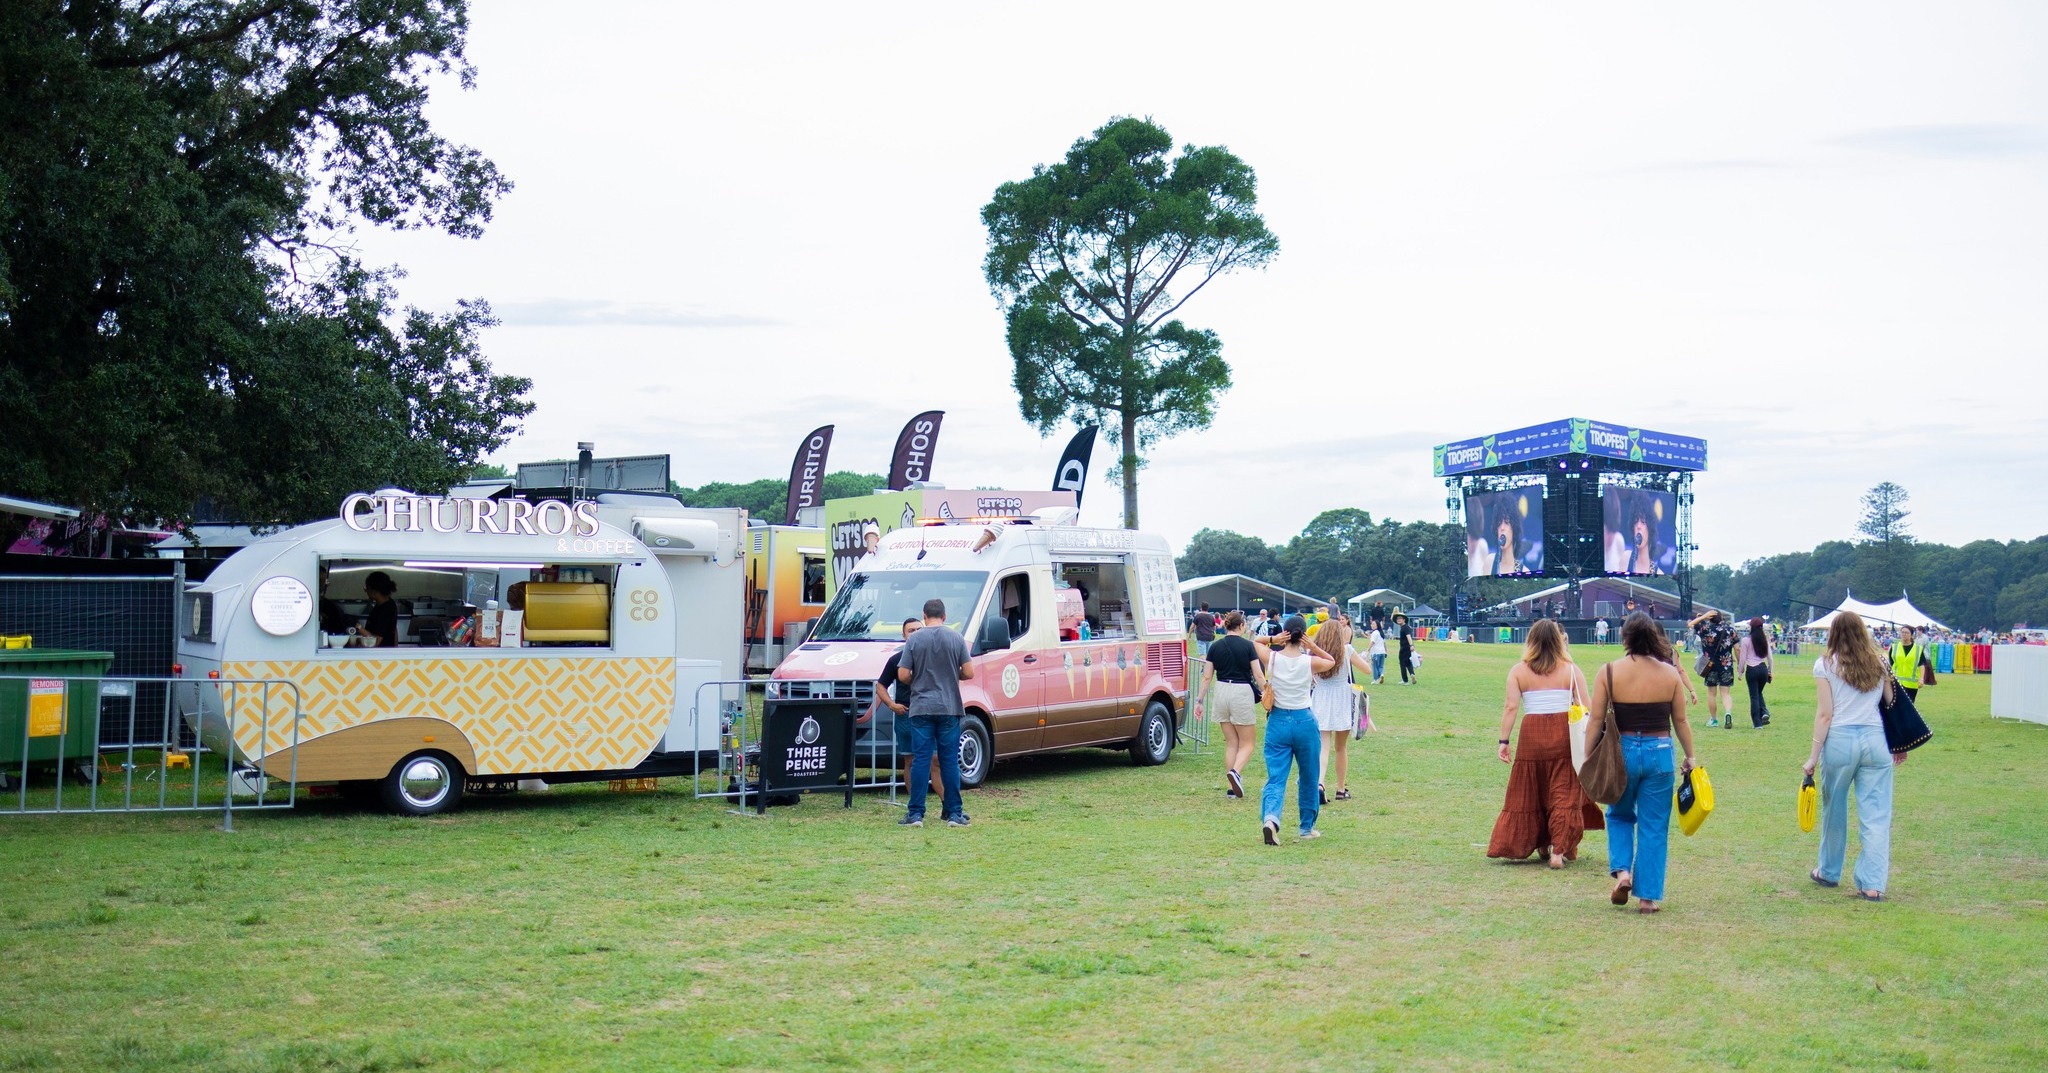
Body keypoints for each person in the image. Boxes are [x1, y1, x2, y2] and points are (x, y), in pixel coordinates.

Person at [1585, 612, 1698, 913]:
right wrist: (1690, 756)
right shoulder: (1670, 674)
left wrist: (1587, 756)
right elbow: (1681, 721)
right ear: (1654, 636)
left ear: (1625, 637)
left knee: (1619, 814)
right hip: (1659, 752)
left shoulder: (1609, 672)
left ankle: (1623, 873)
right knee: (1654, 825)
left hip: (1621, 753)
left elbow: (1595, 720)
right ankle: (1647, 898)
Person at [1489, 620, 1601, 868]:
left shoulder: (1518, 671)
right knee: (1564, 790)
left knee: (1534, 788)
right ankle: (1558, 850)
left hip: (1532, 733)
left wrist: (1504, 740)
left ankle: (1540, 843)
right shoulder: (1571, 669)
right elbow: (1587, 706)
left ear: (1530, 640)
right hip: (1564, 733)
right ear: (1558, 641)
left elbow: (1510, 707)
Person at [1804, 609, 1895, 901]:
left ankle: (1829, 871)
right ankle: (1872, 883)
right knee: (1876, 815)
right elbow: (1891, 704)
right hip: (1875, 739)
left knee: (1834, 808)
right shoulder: (1880, 662)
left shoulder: (1825, 665)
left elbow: (1825, 714)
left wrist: (1813, 757)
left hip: (1841, 740)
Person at [895, 598, 974, 828]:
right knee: (949, 761)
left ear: (924, 616)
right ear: (944, 616)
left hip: (921, 707)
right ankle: (954, 813)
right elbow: (969, 672)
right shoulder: (956, 638)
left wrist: (918, 678)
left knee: (921, 760)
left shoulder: (914, 639)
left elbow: (902, 674)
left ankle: (916, 814)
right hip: (949, 707)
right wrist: (952, 675)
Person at [1257, 615, 1335, 844]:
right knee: (1309, 776)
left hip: (1278, 720)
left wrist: (1273, 639)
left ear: (1285, 634)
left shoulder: (1272, 658)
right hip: (1304, 720)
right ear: (1303, 636)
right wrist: (1312, 646)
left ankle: (1271, 819)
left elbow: (1255, 642)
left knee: (1276, 777)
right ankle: (1306, 827)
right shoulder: (1309, 662)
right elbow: (1331, 661)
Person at [1308, 616, 1374, 804]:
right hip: (1342, 698)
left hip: (1320, 697)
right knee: (1341, 747)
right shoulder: (1346, 650)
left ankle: (1319, 784)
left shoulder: (1314, 652)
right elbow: (1367, 670)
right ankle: (1340, 789)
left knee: (1322, 746)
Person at [1200, 611, 1265, 799]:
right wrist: (1268, 693)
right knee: (1248, 743)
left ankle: (1231, 788)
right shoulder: (1248, 646)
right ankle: (1235, 772)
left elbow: (1207, 676)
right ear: (1242, 626)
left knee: (1231, 743)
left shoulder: (1215, 646)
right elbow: (1258, 675)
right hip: (1241, 692)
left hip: (1221, 690)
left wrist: (1199, 701)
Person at [873, 618, 941, 796]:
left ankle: (947, 804)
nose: (916, 633)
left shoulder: (935, 656)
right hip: (906, 716)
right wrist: (891, 704)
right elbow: (881, 686)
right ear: (903, 635)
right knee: (911, 760)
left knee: (935, 759)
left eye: (919, 629)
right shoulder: (896, 659)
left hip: (933, 714)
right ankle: (915, 803)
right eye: (911, 631)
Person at [1690, 610, 1737, 729]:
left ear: (1709, 618)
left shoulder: (1705, 629)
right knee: (1726, 693)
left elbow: (1690, 624)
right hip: (1726, 665)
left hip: (1710, 666)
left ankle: (1714, 719)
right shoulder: (1730, 630)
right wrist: (1739, 663)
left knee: (1712, 693)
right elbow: (1737, 648)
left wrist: (1703, 617)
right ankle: (1728, 713)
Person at [1740, 615, 1774, 728]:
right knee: (1758, 692)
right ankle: (1764, 712)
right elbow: (1770, 658)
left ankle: (1757, 723)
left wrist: (1740, 672)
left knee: (1754, 696)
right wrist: (1770, 671)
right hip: (1763, 669)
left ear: (1751, 627)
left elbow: (1742, 658)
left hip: (1752, 669)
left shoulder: (1745, 640)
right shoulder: (1764, 640)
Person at [1889, 625, 1935, 702]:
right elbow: (1891, 664)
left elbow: (1921, 665)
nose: (1904, 634)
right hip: (1896, 682)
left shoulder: (1918, 649)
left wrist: (1921, 678)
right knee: (1896, 704)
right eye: (1902, 632)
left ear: (1911, 635)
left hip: (1911, 684)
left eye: (1906, 633)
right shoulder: (1894, 647)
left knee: (1909, 704)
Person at [359, 571, 399, 648]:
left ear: (374, 591)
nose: (366, 591)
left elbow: (376, 641)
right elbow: (394, 630)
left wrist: (357, 627)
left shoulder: (386, 609)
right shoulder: (386, 603)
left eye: (367, 588)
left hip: (381, 652)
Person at [1395, 612, 1418, 685]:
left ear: (1404, 620)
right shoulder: (1405, 627)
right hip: (1408, 648)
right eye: (1397, 619)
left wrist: (1411, 645)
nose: (1398, 620)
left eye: (1400, 618)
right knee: (1408, 662)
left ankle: (1405, 680)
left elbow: (1409, 637)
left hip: (1404, 647)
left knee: (1402, 663)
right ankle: (1412, 673)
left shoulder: (1405, 628)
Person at [1367, 620, 1388, 684]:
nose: (1372, 625)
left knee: (1375, 666)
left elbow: (1372, 642)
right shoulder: (1381, 633)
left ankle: (1376, 679)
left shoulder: (1375, 633)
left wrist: (1368, 649)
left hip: (1376, 652)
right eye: (1371, 624)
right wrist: (1386, 651)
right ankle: (1381, 674)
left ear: (1377, 625)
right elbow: (1384, 643)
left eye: (1373, 624)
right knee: (1381, 665)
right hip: (1382, 652)